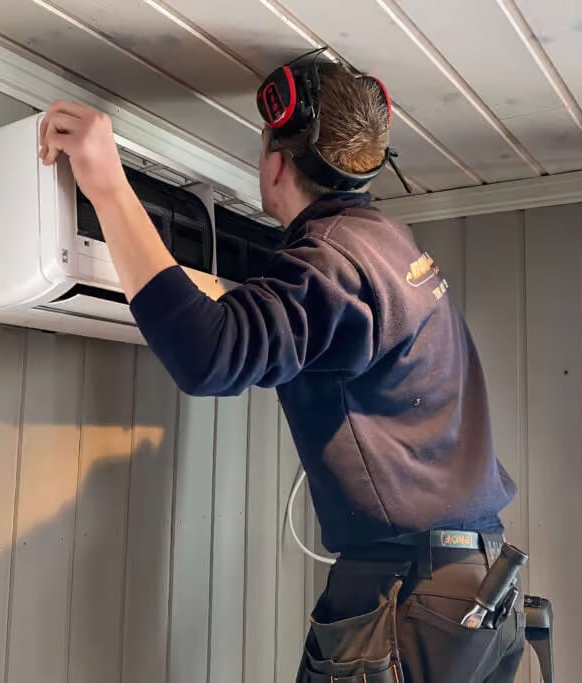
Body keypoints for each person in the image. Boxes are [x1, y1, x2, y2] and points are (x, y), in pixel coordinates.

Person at [38, 52, 524, 683]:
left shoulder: (333, 261)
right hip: (478, 591)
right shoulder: (389, 242)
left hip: (412, 594)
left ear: (273, 164)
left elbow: (209, 356)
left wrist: (105, 181)